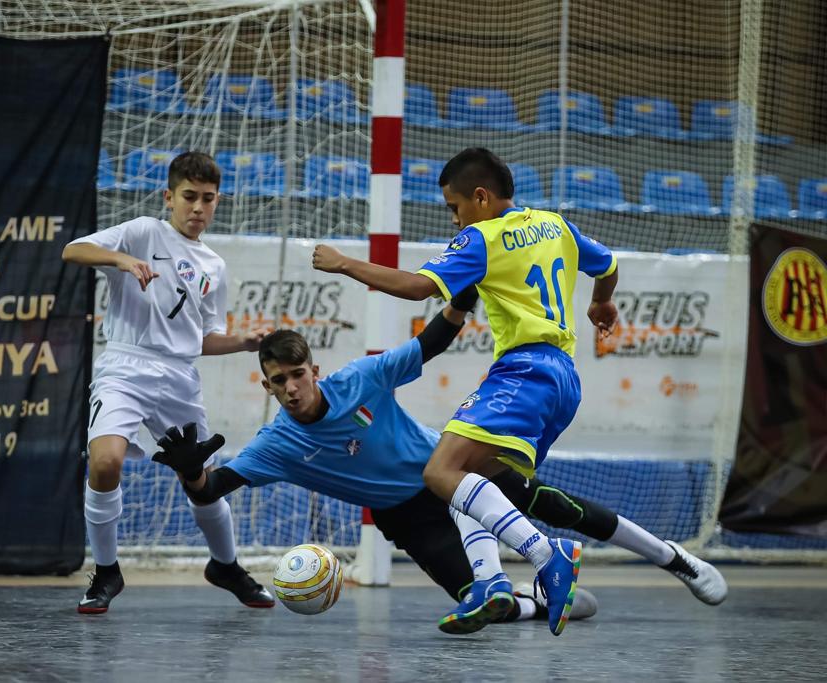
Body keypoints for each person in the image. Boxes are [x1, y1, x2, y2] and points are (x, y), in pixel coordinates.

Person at [311, 147, 726, 635]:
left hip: (523, 372)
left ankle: (547, 556)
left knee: (442, 470)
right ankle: (490, 581)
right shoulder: (556, 225)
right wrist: (602, 303)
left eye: (454, 206)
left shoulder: (482, 237)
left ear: (481, 197)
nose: (454, 218)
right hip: (563, 380)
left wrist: (342, 264)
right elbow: (608, 264)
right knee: (471, 484)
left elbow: (415, 287)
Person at [152, 294, 604, 635]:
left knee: (553, 505)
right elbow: (209, 490)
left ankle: (654, 555)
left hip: (446, 472)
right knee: (477, 602)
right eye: (279, 381)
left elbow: (426, 345)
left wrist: (461, 303)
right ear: (267, 388)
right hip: (406, 518)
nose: (291, 387)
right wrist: (189, 471)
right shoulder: (276, 445)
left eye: (297, 375)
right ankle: (541, 605)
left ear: (314, 369)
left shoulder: (360, 378)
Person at [61, 151, 274, 614]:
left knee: (200, 480)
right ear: (169, 197)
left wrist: (242, 343)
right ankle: (106, 572)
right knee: (106, 462)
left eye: (208, 199)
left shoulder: (214, 266)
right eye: (189, 197)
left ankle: (225, 566)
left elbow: (199, 339)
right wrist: (119, 260)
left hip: (178, 378)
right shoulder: (142, 232)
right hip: (124, 366)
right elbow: (71, 250)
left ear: (218, 202)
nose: (198, 207)